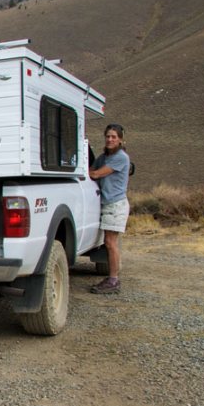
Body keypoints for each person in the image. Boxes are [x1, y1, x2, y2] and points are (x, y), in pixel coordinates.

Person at [88, 123, 130, 294]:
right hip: (108, 204)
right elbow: (92, 168)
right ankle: (112, 279)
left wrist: (87, 172)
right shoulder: (104, 157)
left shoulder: (121, 157)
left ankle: (113, 280)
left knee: (111, 243)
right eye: (108, 136)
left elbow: (96, 173)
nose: (110, 139)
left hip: (115, 205)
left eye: (114, 137)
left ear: (120, 140)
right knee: (109, 243)